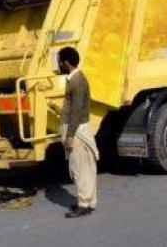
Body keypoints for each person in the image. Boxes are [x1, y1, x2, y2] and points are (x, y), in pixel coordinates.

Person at [57, 46, 99, 218]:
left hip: (77, 129)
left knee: (79, 167)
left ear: (66, 63)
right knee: (86, 166)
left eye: (59, 61)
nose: (58, 64)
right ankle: (89, 202)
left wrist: (70, 136)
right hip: (79, 128)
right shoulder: (77, 79)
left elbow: (75, 111)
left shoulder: (76, 82)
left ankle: (83, 204)